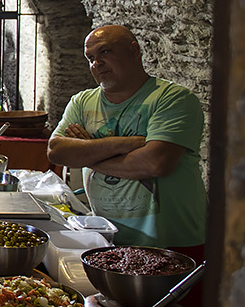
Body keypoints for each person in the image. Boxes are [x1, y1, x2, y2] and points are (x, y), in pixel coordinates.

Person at [46, 24, 207, 259]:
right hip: (108, 239)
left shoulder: (173, 99)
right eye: (90, 58)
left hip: (173, 244)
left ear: (134, 51)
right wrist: (126, 144)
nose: (96, 63)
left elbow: (154, 164)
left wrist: (89, 153)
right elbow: (56, 151)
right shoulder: (82, 102)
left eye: (105, 52)